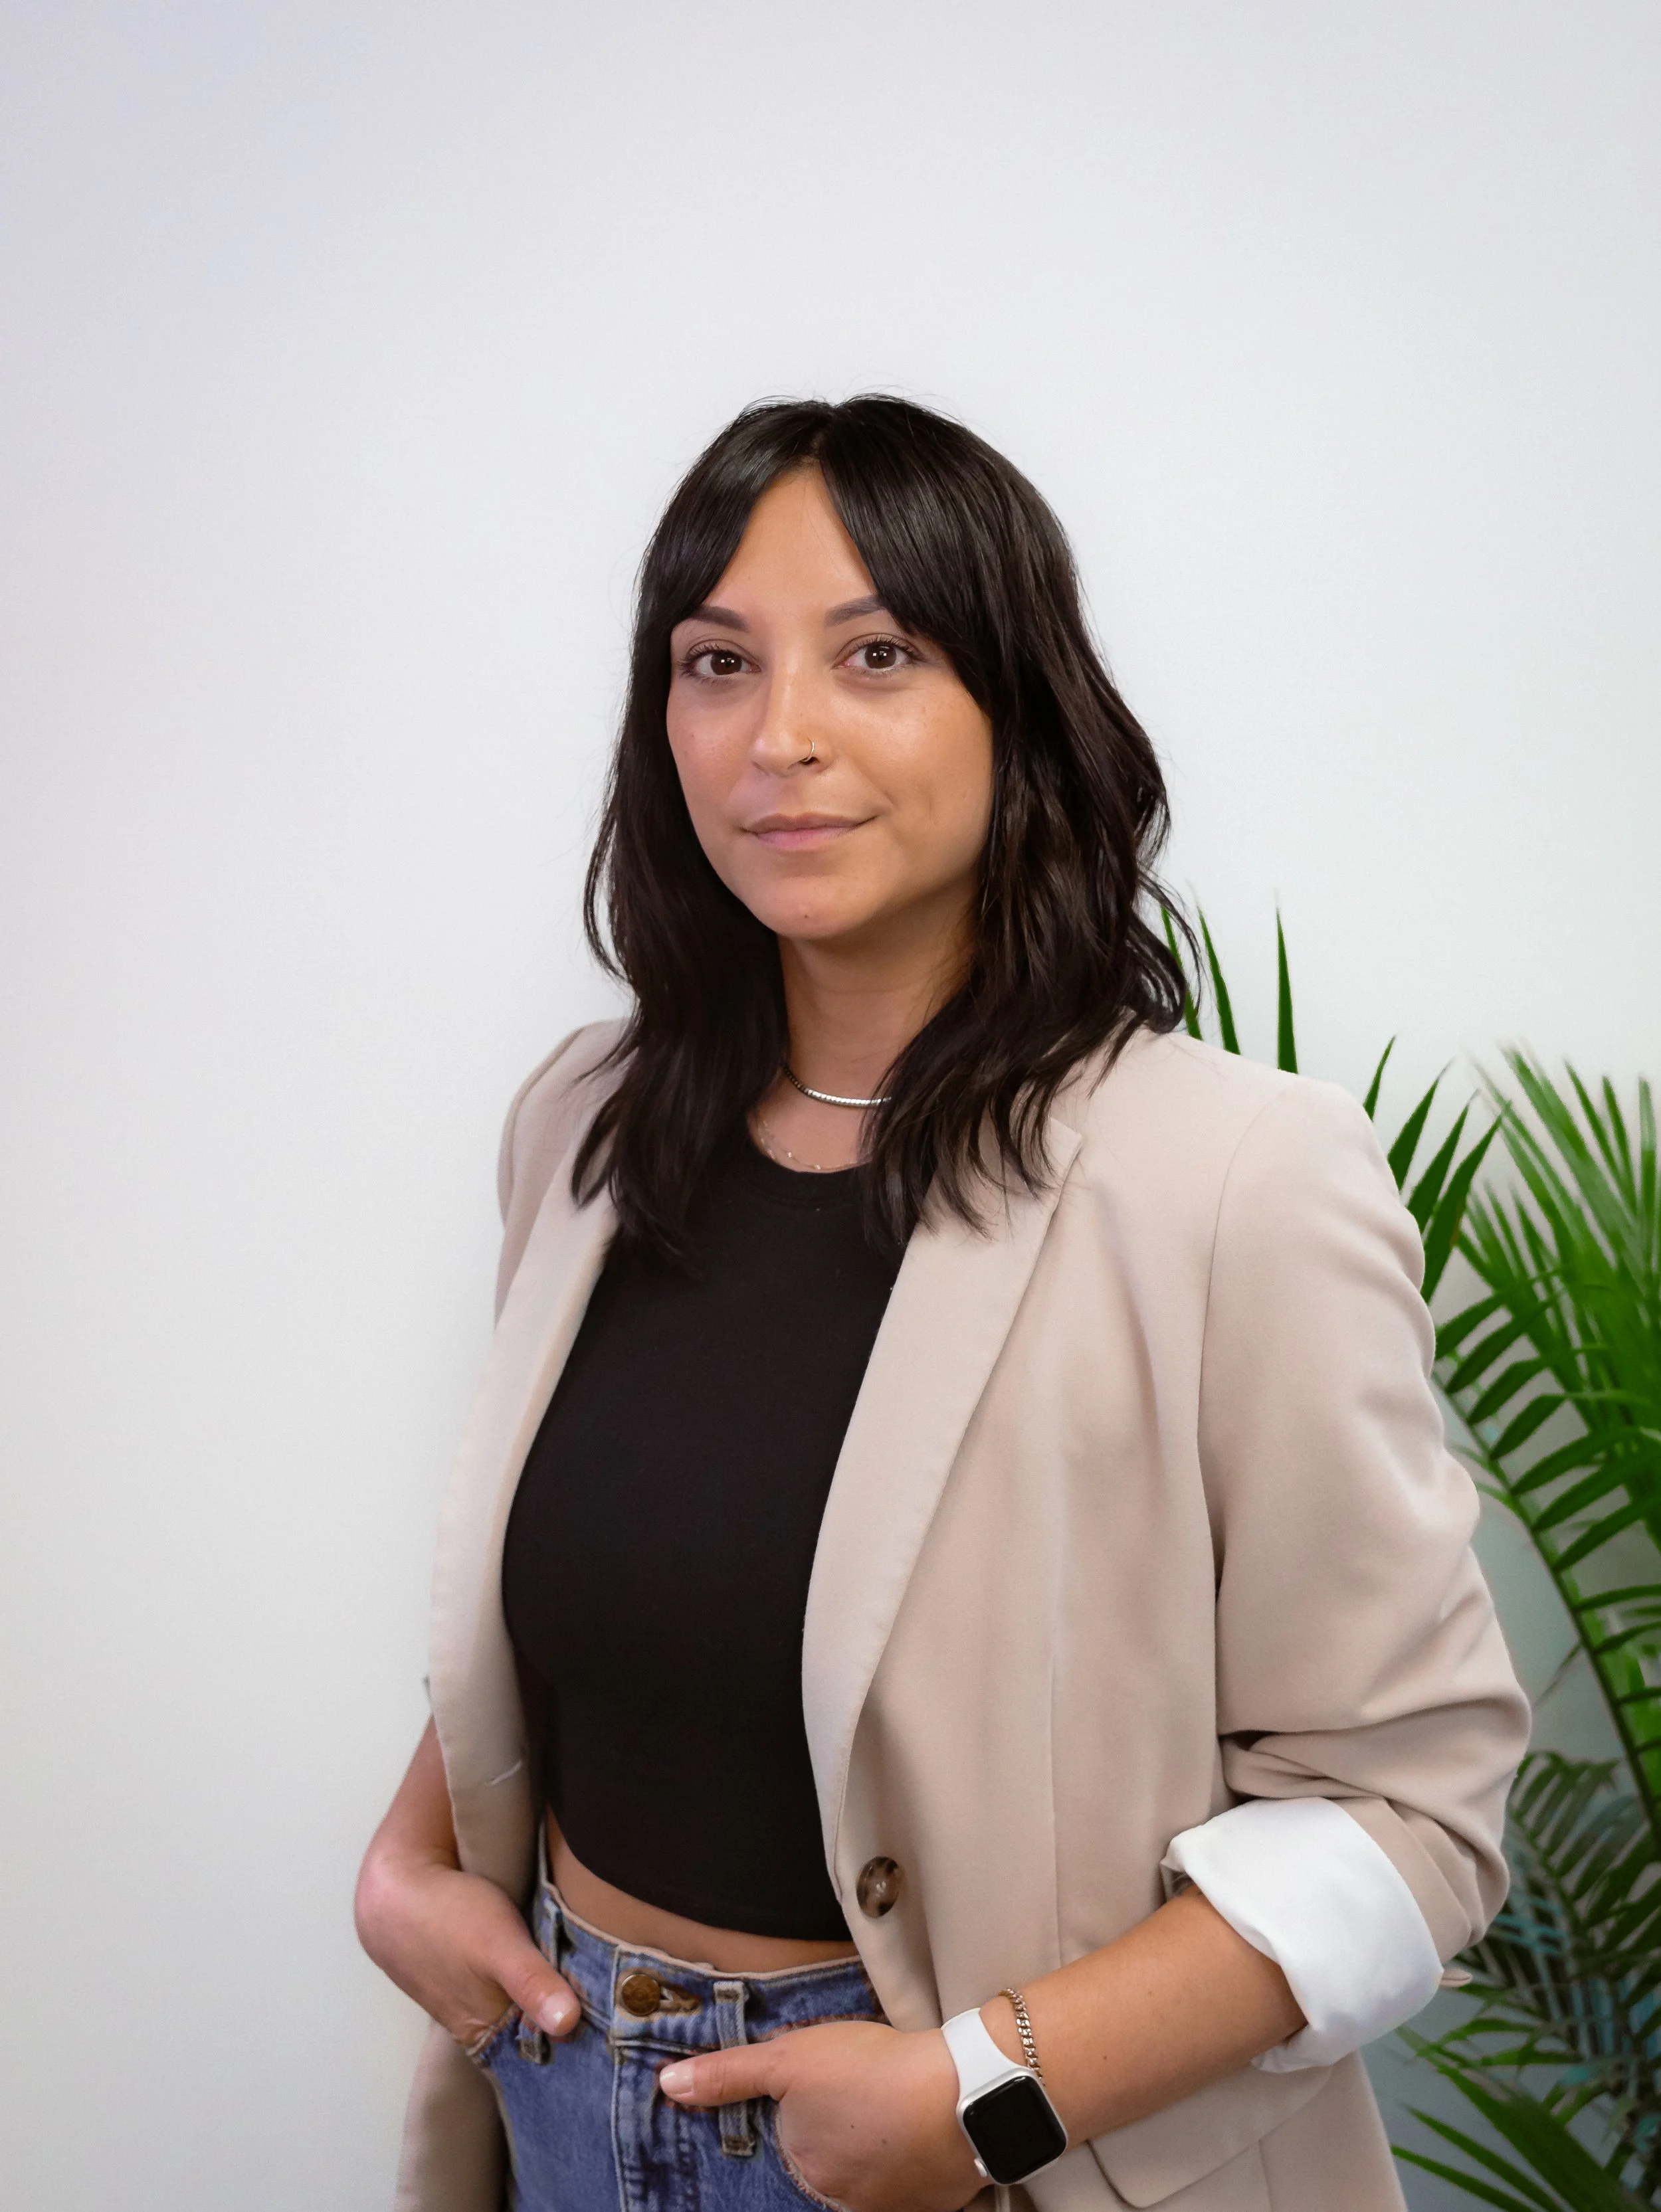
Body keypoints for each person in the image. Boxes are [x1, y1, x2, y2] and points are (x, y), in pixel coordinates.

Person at [355, 395, 1529, 2212]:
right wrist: (402, 1863)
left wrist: (983, 2097)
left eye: (877, 654)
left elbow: (1415, 1818)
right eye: (717, 662)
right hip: (562, 2094)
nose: (781, 735)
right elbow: (603, 1595)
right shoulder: (582, 1123)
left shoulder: (1233, 1180)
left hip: (974, 2150)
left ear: (1019, 708)